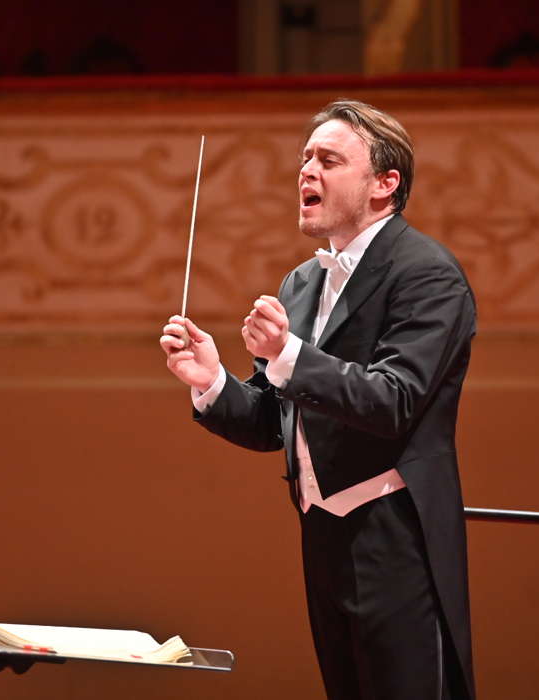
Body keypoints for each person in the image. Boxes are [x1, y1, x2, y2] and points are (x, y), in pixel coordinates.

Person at [160, 99, 477, 700]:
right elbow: (272, 421)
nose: (306, 170)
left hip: (397, 537)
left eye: (328, 160)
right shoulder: (302, 282)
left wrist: (288, 357)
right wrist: (212, 381)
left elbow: (394, 400)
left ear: (386, 184)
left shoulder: (427, 274)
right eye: (305, 158)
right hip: (323, 538)